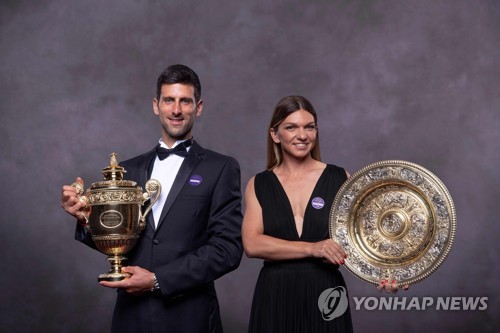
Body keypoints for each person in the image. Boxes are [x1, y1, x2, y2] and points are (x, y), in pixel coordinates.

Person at [61, 64, 243, 333]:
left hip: (191, 318)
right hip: (132, 318)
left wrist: (158, 280)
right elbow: (116, 239)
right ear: (156, 106)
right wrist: (86, 218)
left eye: (185, 101)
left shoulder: (221, 168)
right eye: (169, 100)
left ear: (199, 107)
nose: (176, 110)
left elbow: (227, 249)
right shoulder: (127, 170)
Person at [242, 95, 406, 333]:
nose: (302, 135)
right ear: (275, 134)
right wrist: (313, 248)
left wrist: (386, 273)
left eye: (309, 127)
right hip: (274, 294)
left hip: (326, 293)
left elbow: (369, 237)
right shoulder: (258, 184)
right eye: (291, 127)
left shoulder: (340, 179)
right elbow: (252, 244)